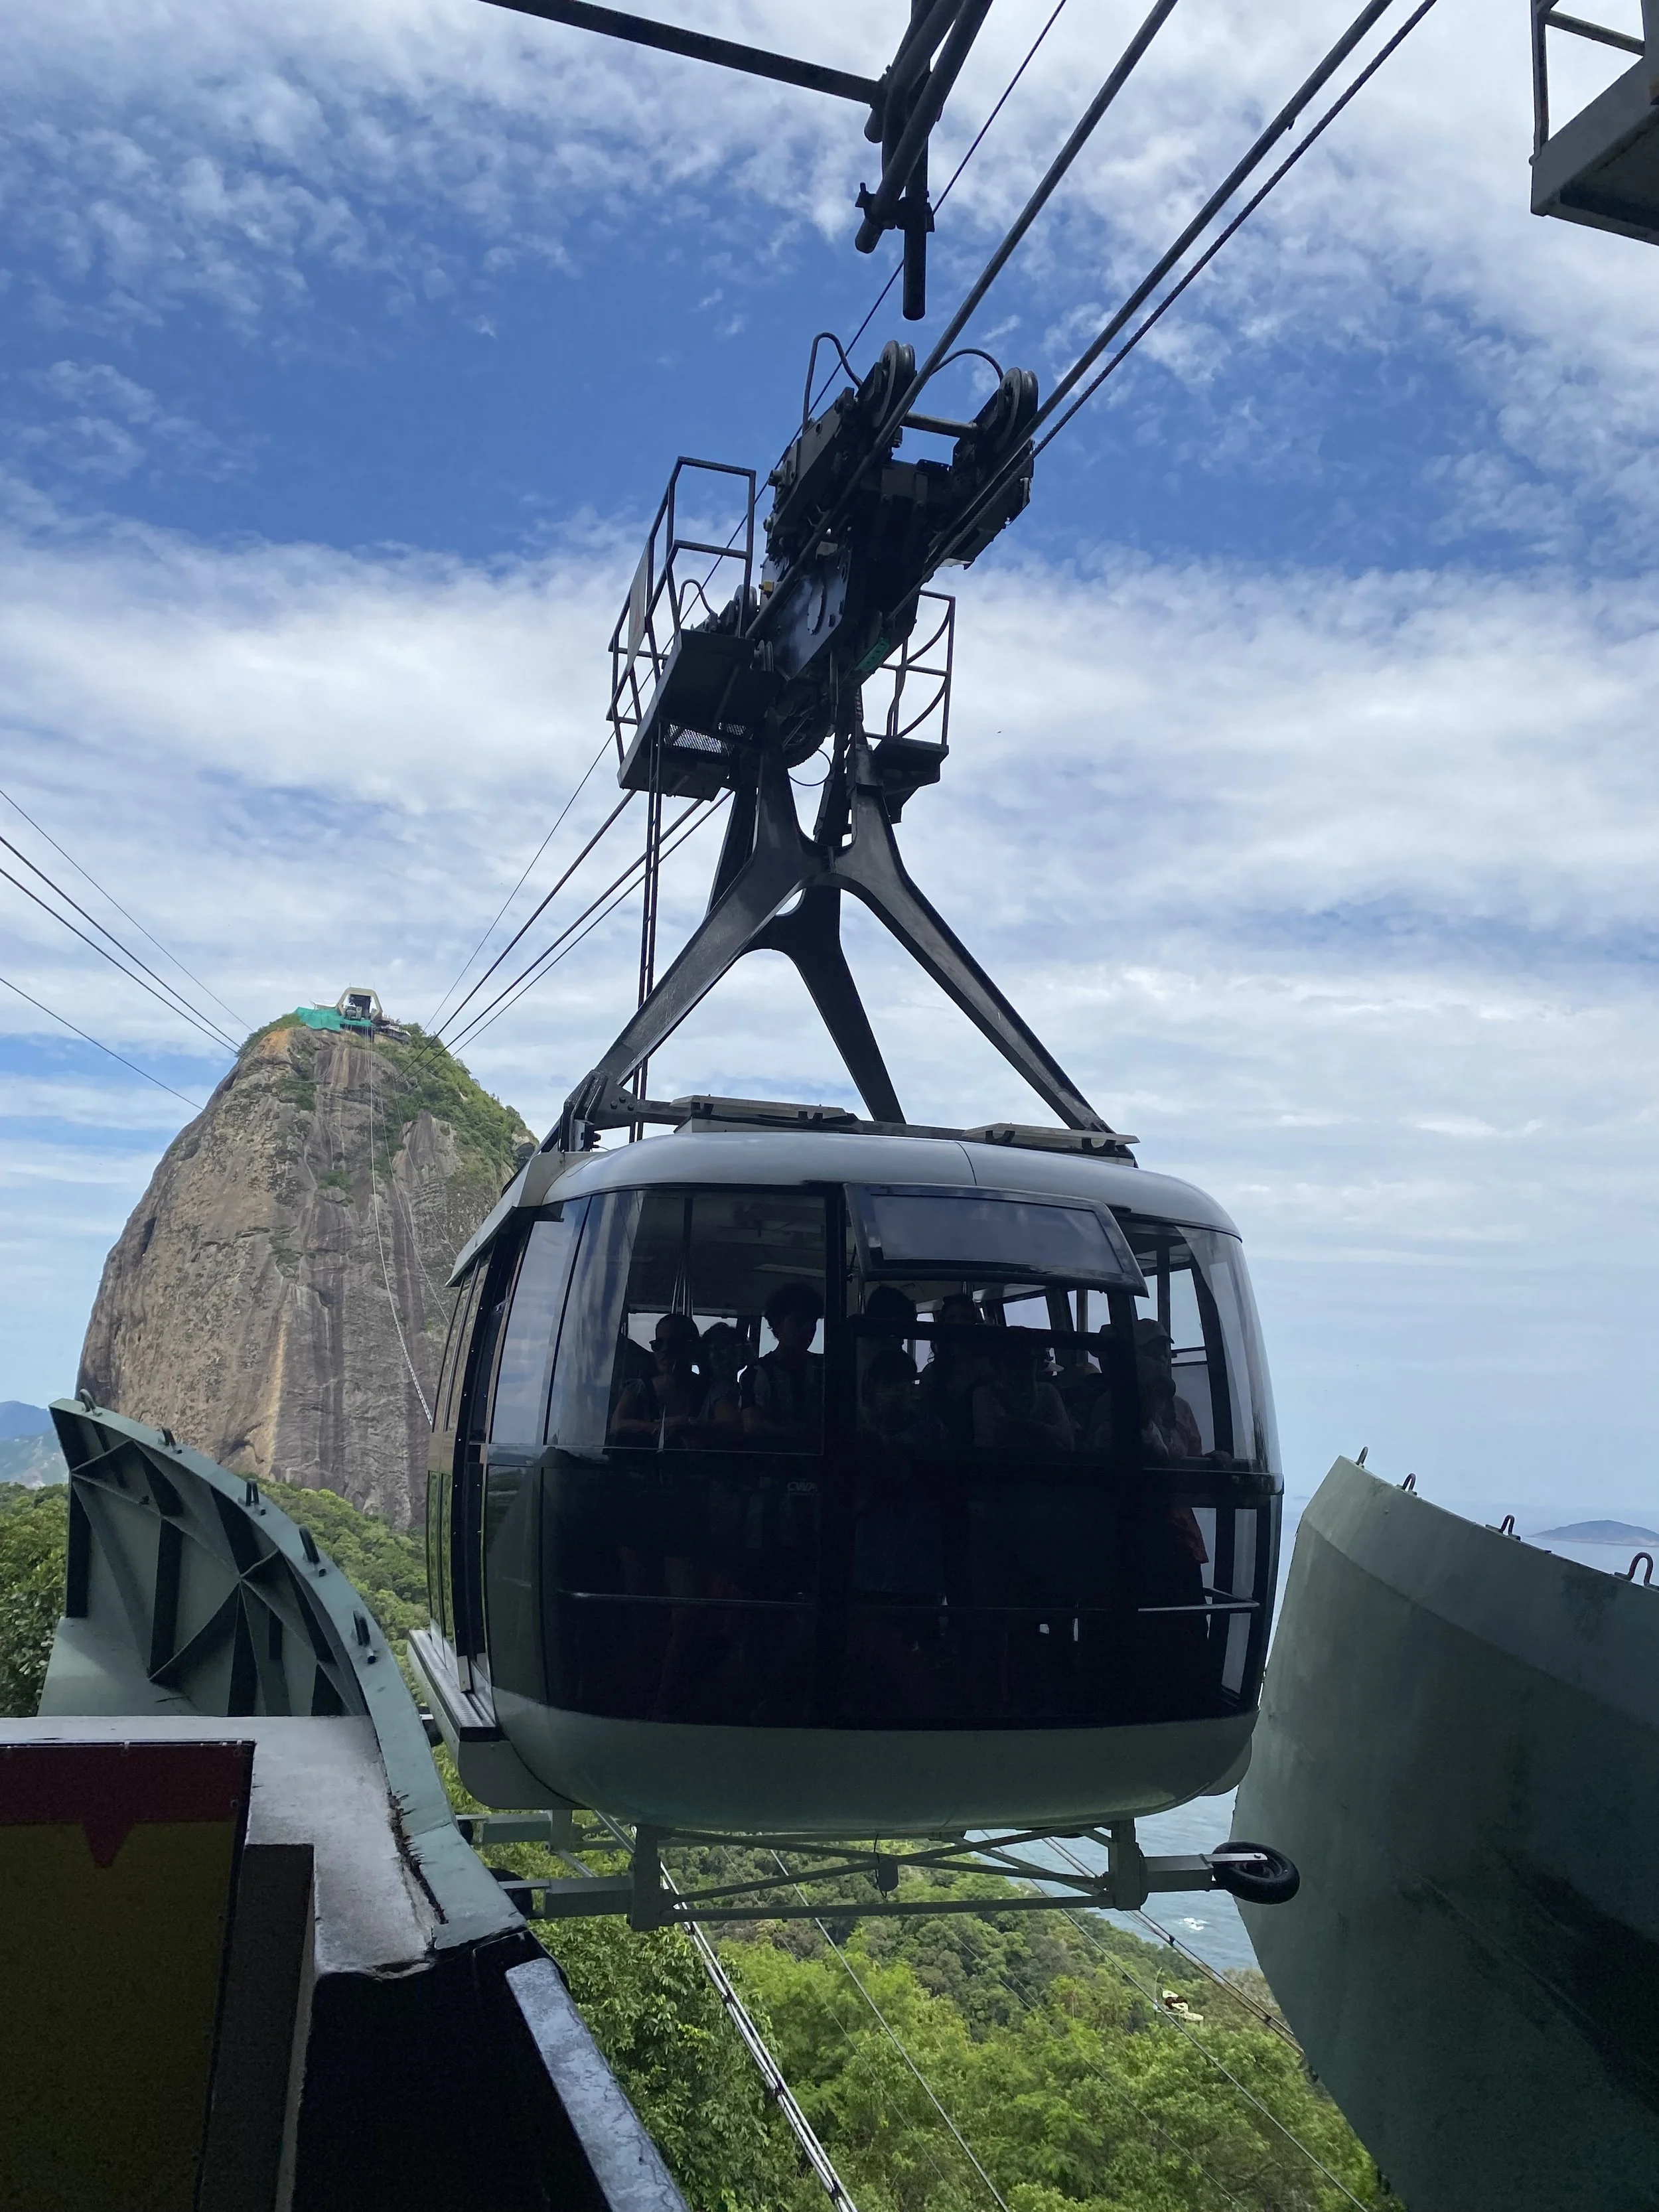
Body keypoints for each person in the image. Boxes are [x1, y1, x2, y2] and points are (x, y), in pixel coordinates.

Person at [739, 1281, 824, 1449]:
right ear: (778, 1325)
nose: (809, 1329)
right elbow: (752, 1425)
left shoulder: (824, 1368)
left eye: (813, 1322)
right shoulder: (756, 1373)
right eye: (799, 1322)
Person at [609, 1311, 703, 1445]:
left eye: (674, 1343)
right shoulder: (638, 1389)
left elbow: (731, 1426)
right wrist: (660, 1428)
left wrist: (693, 1425)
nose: (664, 1350)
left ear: (692, 1347)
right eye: (658, 1344)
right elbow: (617, 1425)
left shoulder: (711, 1390)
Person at [970, 1329, 1074, 1453]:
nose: (1021, 1370)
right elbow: (990, 1440)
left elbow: (1067, 1441)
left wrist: (1020, 1427)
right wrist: (1039, 1430)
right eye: (1012, 1363)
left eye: (1028, 1362)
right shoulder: (985, 1394)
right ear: (997, 1365)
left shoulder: (1048, 1392)